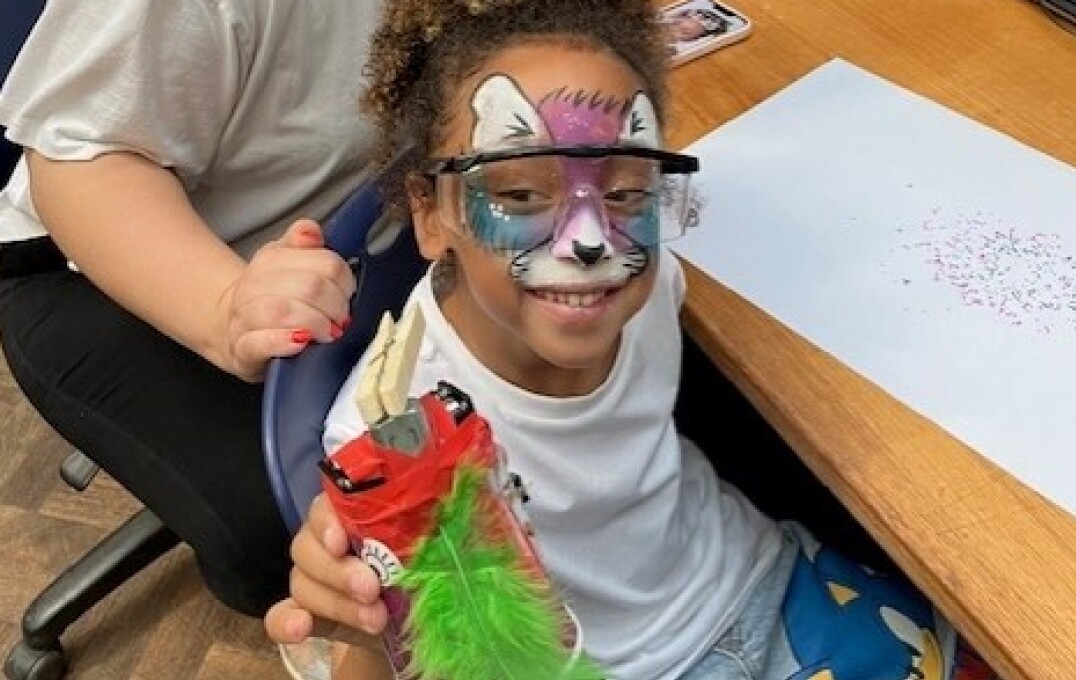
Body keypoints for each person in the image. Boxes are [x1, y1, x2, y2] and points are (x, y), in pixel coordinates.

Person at [265, 1, 1002, 679]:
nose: (589, 241)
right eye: (520, 194)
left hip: (759, 579)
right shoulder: (393, 438)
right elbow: (422, 648)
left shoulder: (648, 284)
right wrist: (367, 631)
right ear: (431, 216)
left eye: (625, 193)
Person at [0, 2, 389, 678]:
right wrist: (225, 308)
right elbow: (79, 156)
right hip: (96, 265)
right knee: (302, 519)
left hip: (344, 249)